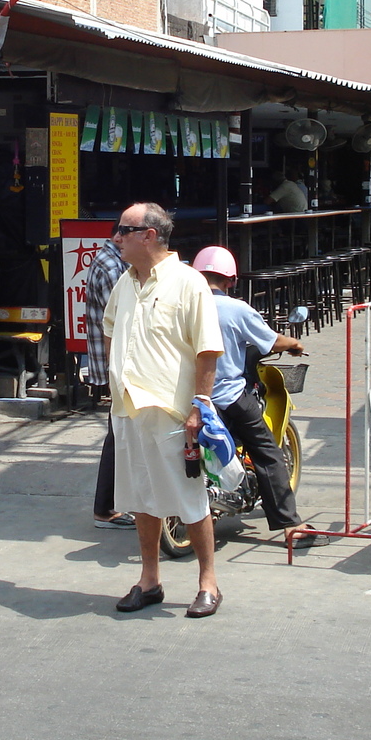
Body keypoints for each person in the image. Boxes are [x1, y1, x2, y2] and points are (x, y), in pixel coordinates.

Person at [103, 202, 226, 618]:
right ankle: (149, 579)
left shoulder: (189, 282)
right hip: (128, 409)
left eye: (124, 229)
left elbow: (208, 350)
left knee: (190, 499)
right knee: (141, 497)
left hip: (172, 412)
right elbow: (109, 331)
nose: (116, 237)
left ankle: (208, 582)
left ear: (148, 235)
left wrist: (200, 406)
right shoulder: (125, 283)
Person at [191, 244, 319, 548]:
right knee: (267, 453)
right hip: (228, 396)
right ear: (231, 280)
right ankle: (290, 525)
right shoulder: (237, 309)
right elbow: (271, 341)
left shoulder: (183, 306)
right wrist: (293, 344)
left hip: (190, 398)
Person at [85, 226, 134, 530]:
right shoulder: (112, 264)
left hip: (118, 364)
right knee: (118, 436)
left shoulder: (114, 261)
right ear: (120, 236)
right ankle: (105, 509)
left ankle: (110, 505)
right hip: (119, 365)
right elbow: (119, 320)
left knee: (119, 435)